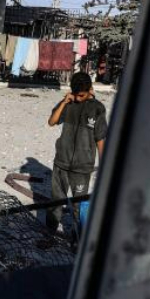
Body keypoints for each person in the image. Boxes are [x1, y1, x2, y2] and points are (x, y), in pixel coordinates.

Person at [45, 71, 107, 234]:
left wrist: (104, 167)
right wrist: (65, 102)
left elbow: (101, 139)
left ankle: (77, 238)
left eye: (82, 95)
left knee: (78, 207)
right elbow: (51, 121)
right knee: (55, 202)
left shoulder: (97, 109)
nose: (79, 99)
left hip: (82, 168)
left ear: (89, 90)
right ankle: (49, 232)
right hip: (61, 163)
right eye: (76, 95)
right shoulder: (68, 104)